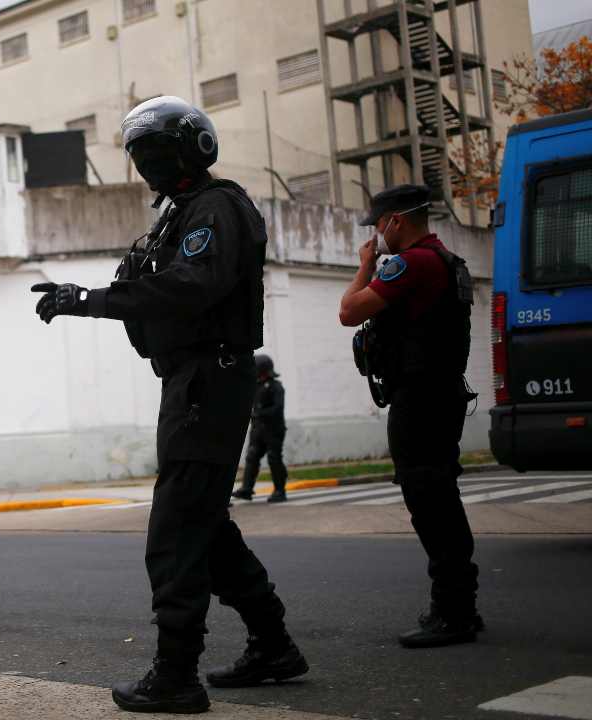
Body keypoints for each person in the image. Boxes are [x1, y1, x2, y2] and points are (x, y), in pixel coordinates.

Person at [32, 96, 307, 713]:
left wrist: (88, 298)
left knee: (176, 528)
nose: (147, 166)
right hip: (190, 378)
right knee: (205, 525)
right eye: (140, 155)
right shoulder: (178, 215)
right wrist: (92, 297)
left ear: (190, 150)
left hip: (211, 377)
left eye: (155, 152)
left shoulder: (215, 208)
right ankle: (273, 644)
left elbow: (191, 284)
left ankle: (178, 675)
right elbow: (152, 285)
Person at [338, 183, 480, 649]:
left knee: (429, 502)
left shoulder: (411, 262)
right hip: (442, 394)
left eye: (377, 225)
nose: (375, 235)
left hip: (420, 399)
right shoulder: (447, 261)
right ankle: (460, 606)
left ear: (396, 221)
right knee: (441, 497)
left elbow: (349, 310)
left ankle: (453, 613)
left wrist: (364, 265)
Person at [232, 355, 288, 503]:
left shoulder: (276, 387)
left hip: (273, 430)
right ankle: (246, 489)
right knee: (251, 458)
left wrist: (258, 413)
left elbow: (277, 408)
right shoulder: (254, 386)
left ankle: (280, 491)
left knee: (274, 458)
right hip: (258, 431)